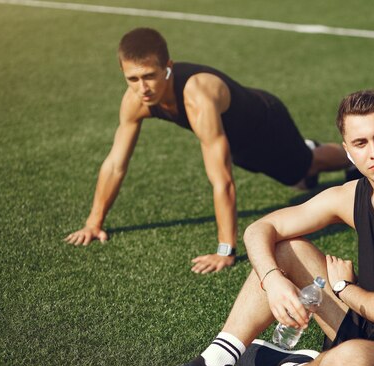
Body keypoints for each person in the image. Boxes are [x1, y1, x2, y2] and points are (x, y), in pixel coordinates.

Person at [134, 89, 374, 366]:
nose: (373, 152)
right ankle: (214, 364)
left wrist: (344, 288)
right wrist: (274, 280)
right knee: (285, 249)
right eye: (360, 143)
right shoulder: (351, 196)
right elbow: (259, 228)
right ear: (346, 151)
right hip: (366, 329)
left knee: (347, 363)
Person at [64, 27, 354, 274]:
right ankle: (313, 151)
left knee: (303, 170)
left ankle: (352, 157)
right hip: (234, 140)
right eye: (133, 79)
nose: (143, 88)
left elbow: (221, 180)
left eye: (150, 76)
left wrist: (225, 250)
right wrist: (94, 222)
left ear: (168, 67)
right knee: (298, 179)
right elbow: (116, 164)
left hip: (265, 124)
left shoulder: (196, 97)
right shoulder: (135, 100)